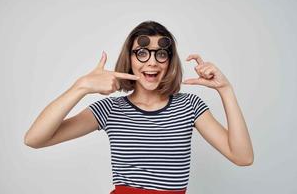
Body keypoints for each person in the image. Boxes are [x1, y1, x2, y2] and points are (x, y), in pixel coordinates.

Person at [24, 20, 254, 194]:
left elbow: (242, 157)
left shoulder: (189, 106)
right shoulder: (110, 110)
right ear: (130, 58)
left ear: (169, 61)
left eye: (161, 54)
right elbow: (35, 139)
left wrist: (226, 89)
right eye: (142, 53)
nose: (152, 61)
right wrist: (80, 87)